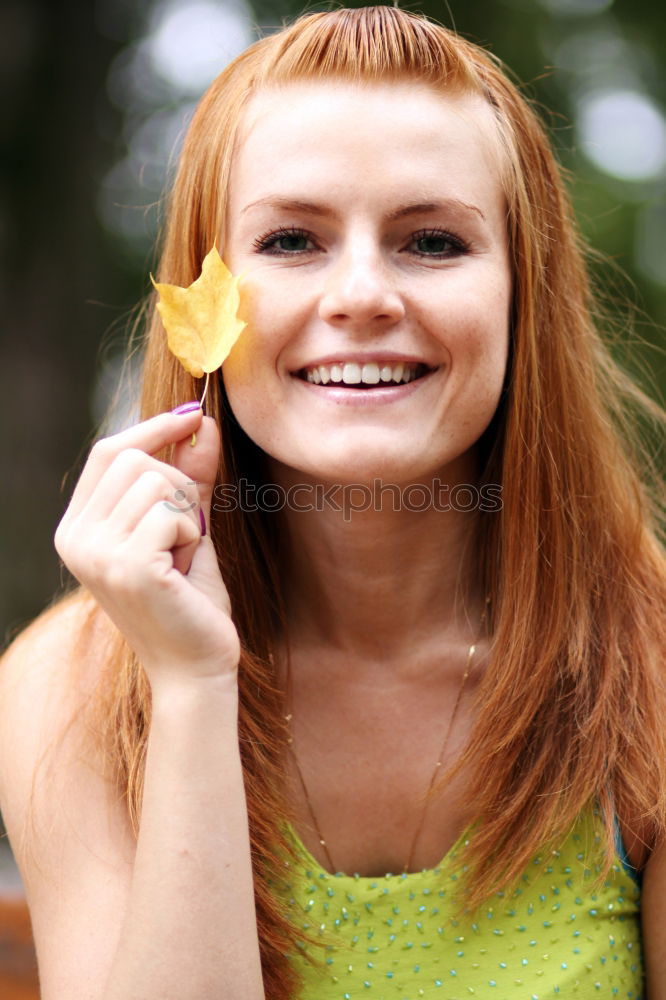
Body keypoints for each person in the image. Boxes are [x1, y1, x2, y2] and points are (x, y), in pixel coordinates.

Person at [1, 6, 664, 999]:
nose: (362, 293)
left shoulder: (648, 662)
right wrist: (190, 686)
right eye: (293, 239)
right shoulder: (70, 692)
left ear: (525, 294)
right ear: (203, 309)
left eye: (434, 241)